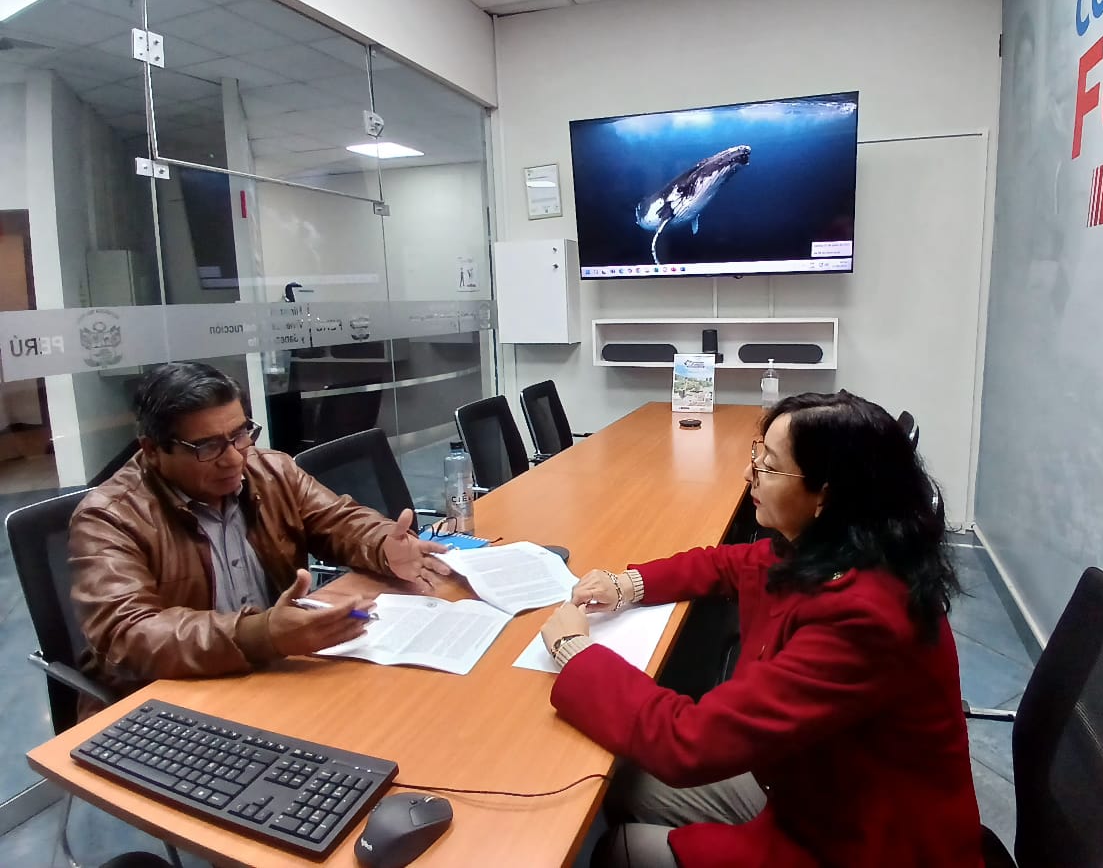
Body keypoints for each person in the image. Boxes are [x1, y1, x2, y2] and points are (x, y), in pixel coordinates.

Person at [539, 391, 981, 868]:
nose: (749, 475)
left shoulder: (864, 619)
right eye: (758, 457)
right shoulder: (837, 547)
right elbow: (730, 563)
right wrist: (628, 584)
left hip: (866, 844)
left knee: (621, 848)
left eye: (770, 467)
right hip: (815, 788)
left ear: (824, 495)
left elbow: (689, 742)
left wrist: (574, 650)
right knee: (626, 778)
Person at [69, 361, 451, 702]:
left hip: (269, 673)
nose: (234, 458)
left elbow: (338, 520)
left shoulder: (271, 471)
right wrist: (261, 634)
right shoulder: (109, 517)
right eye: (207, 447)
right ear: (152, 450)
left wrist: (382, 544)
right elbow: (127, 635)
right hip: (170, 699)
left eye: (240, 434)